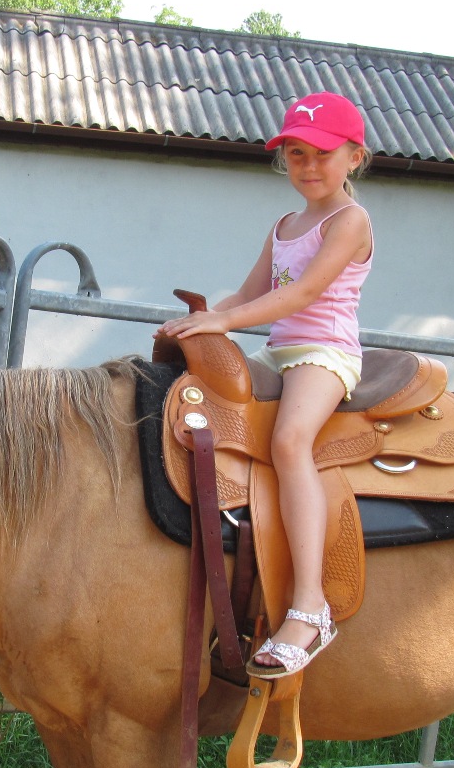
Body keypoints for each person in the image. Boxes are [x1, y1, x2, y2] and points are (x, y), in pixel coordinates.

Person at [156, 92, 373, 678]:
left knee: (289, 441)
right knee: (207, 404)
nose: (308, 165)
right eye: (296, 153)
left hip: (324, 352)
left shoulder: (350, 222)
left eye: (323, 153)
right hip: (279, 351)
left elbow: (303, 294)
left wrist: (225, 323)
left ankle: (310, 606)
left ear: (354, 157)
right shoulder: (284, 225)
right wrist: (202, 322)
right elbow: (250, 292)